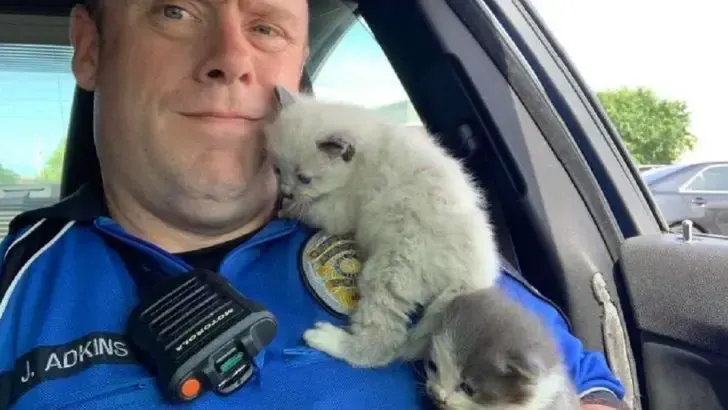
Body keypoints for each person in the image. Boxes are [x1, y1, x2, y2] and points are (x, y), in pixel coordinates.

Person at [0, 1, 626, 409]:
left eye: (265, 26)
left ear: (296, 75)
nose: (230, 61)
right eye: (175, 10)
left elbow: (580, 387)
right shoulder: (18, 287)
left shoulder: (425, 229)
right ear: (89, 48)